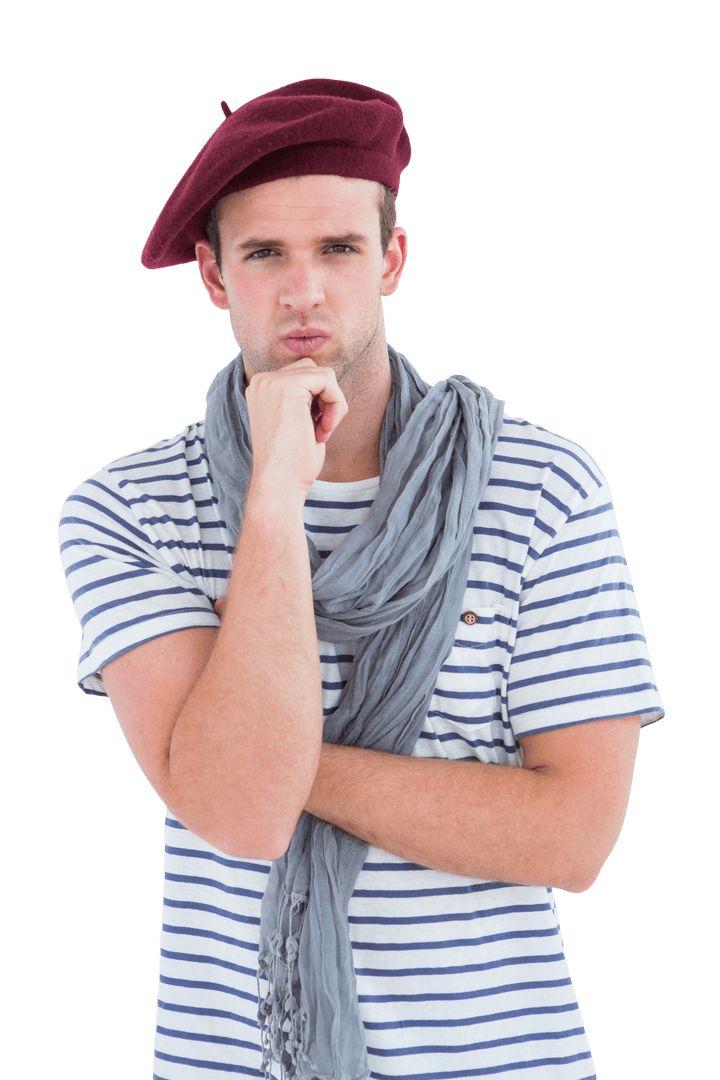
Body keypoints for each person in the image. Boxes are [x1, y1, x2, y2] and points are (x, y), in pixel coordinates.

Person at [58, 79, 663, 1080]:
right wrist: (272, 499)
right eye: (264, 253)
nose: (304, 290)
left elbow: (574, 838)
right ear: (213, 275)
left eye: (338, 247)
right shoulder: (131, 510)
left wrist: (245, 758)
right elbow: (245, 821)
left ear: (391, 259)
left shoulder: (541, 487)